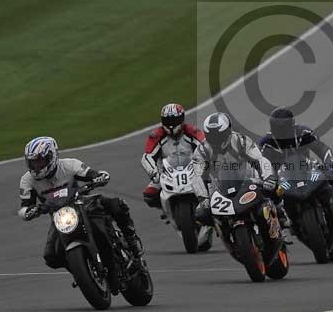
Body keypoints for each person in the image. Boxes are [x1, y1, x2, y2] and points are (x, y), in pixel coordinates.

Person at [18, 136, 144, 269]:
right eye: (33, 162)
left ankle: (131, 238)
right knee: (51, 257)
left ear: (52, 157)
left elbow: (93, 174)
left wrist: (99, 178)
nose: (36, 166)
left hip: (82, 204)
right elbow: (25, 207)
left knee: (117, 205)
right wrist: (30, 211)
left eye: (40, 161)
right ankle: (80, 269)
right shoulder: (27, 180)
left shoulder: (70, 165)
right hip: (59, 218)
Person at [259, 107, 333, 220]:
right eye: (277, 128)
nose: (281, 131)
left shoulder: (303, 132)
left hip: (308, 168)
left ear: (291, 125)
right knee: (264, 192)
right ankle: (281, 219)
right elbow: (264, 164)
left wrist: (330, 165)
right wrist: (269, 179)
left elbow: (322, 149)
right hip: (283, 176)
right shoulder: (267, 143)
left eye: (283, 128)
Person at [190, 112, 277, 226]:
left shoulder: (241, 141)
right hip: (219, 187)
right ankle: (217, 230)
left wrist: (268, 178)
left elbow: (260, 160)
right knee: (201, 215)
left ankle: (280, 215)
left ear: (228, 131)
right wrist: (203, 198)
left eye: (219, 135)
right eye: (212, 136)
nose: (216, 139)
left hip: (248, 180)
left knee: (274, 190)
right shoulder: (202, 150)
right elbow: (196, 175)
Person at [140, 103, 205, 209]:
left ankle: (210, 209)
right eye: (167, 121)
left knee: (212, 184)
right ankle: (167, 209)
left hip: (193, 171)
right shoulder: (156, 136)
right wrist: (154, 172)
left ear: (182, 119)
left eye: (174, 121)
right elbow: (147, 157)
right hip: (165, 174)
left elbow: (206, 147)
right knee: (149, 195)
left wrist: (205, 165)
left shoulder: (192, 131)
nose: (171, 125)